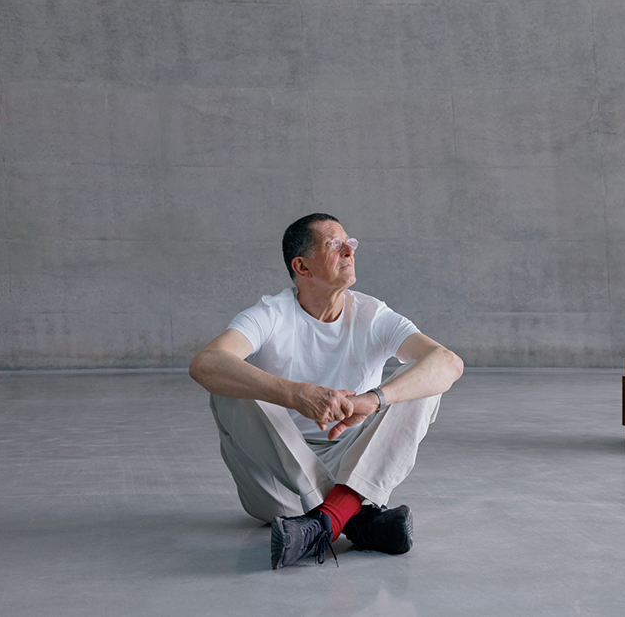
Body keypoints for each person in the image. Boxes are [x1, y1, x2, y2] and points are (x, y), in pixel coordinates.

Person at [189, 213, 463, 568]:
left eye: (350, 243)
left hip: (353, 464)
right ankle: (352, 513)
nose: (349, 251)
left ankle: (324, 522)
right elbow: (205, 363)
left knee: (424, 379)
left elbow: (448, 362)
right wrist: (295, 394)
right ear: (302, 267)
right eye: (335, 245)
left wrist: (373, 400)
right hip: (278, 483)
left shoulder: (372, 314)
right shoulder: (271, 313)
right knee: (228, 384)